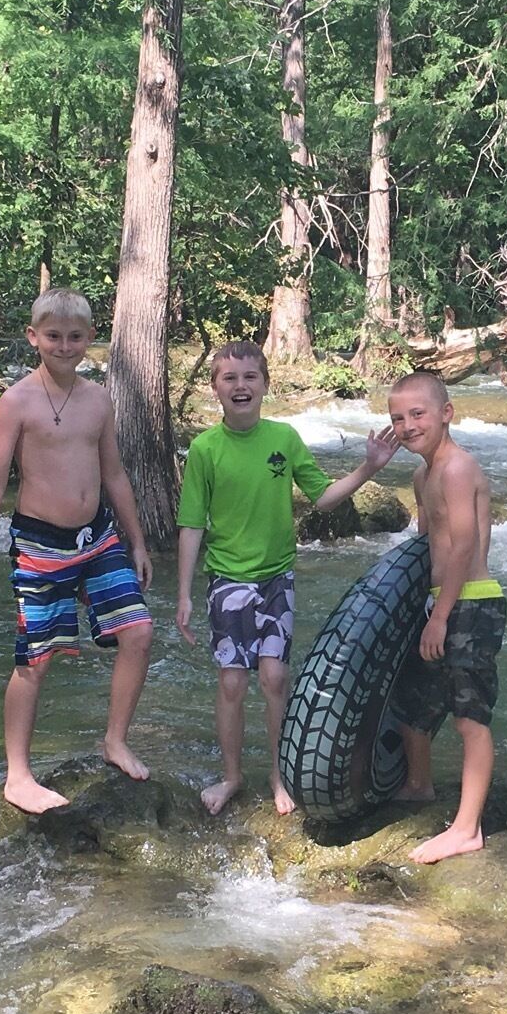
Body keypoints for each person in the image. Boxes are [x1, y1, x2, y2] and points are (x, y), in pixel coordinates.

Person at [176, 342, 399, 816]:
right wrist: (184, 595)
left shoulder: (284, 438)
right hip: (228, 579)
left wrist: (368, 467)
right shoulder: (205, 449)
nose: (240, 386)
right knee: (232, 682)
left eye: (250, 377)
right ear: (215, 388)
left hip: (277, 577)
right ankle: (232, 776)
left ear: (265, 384)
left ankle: (280, 774)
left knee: (275, 677)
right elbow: (192, 524)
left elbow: (323, 498)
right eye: (229, 378)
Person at [0, 289, 156, 814]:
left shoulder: (98, 399)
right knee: (37, 657)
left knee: (139, 632)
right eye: (53, 336)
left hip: (97, 538)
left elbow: (114, 474)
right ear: (34, 337)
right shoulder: (16, 403)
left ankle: (115, 740)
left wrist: (138, 542)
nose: (64, 346)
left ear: (90, 338)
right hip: (39, 545)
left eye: (75, 337)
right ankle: (17, 775)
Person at [385, 371, 503, 864]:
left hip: (471, 602)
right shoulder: (422, 476)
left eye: (418, 414)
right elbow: (426, 547)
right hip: (440, 602)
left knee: (469, 718)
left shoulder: (458, 468)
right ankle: (419, 785)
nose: (408, 425)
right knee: (412, 703)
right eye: (398, 418)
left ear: (446, 413)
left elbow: (463, 547)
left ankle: (467, 829)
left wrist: (441, 617)